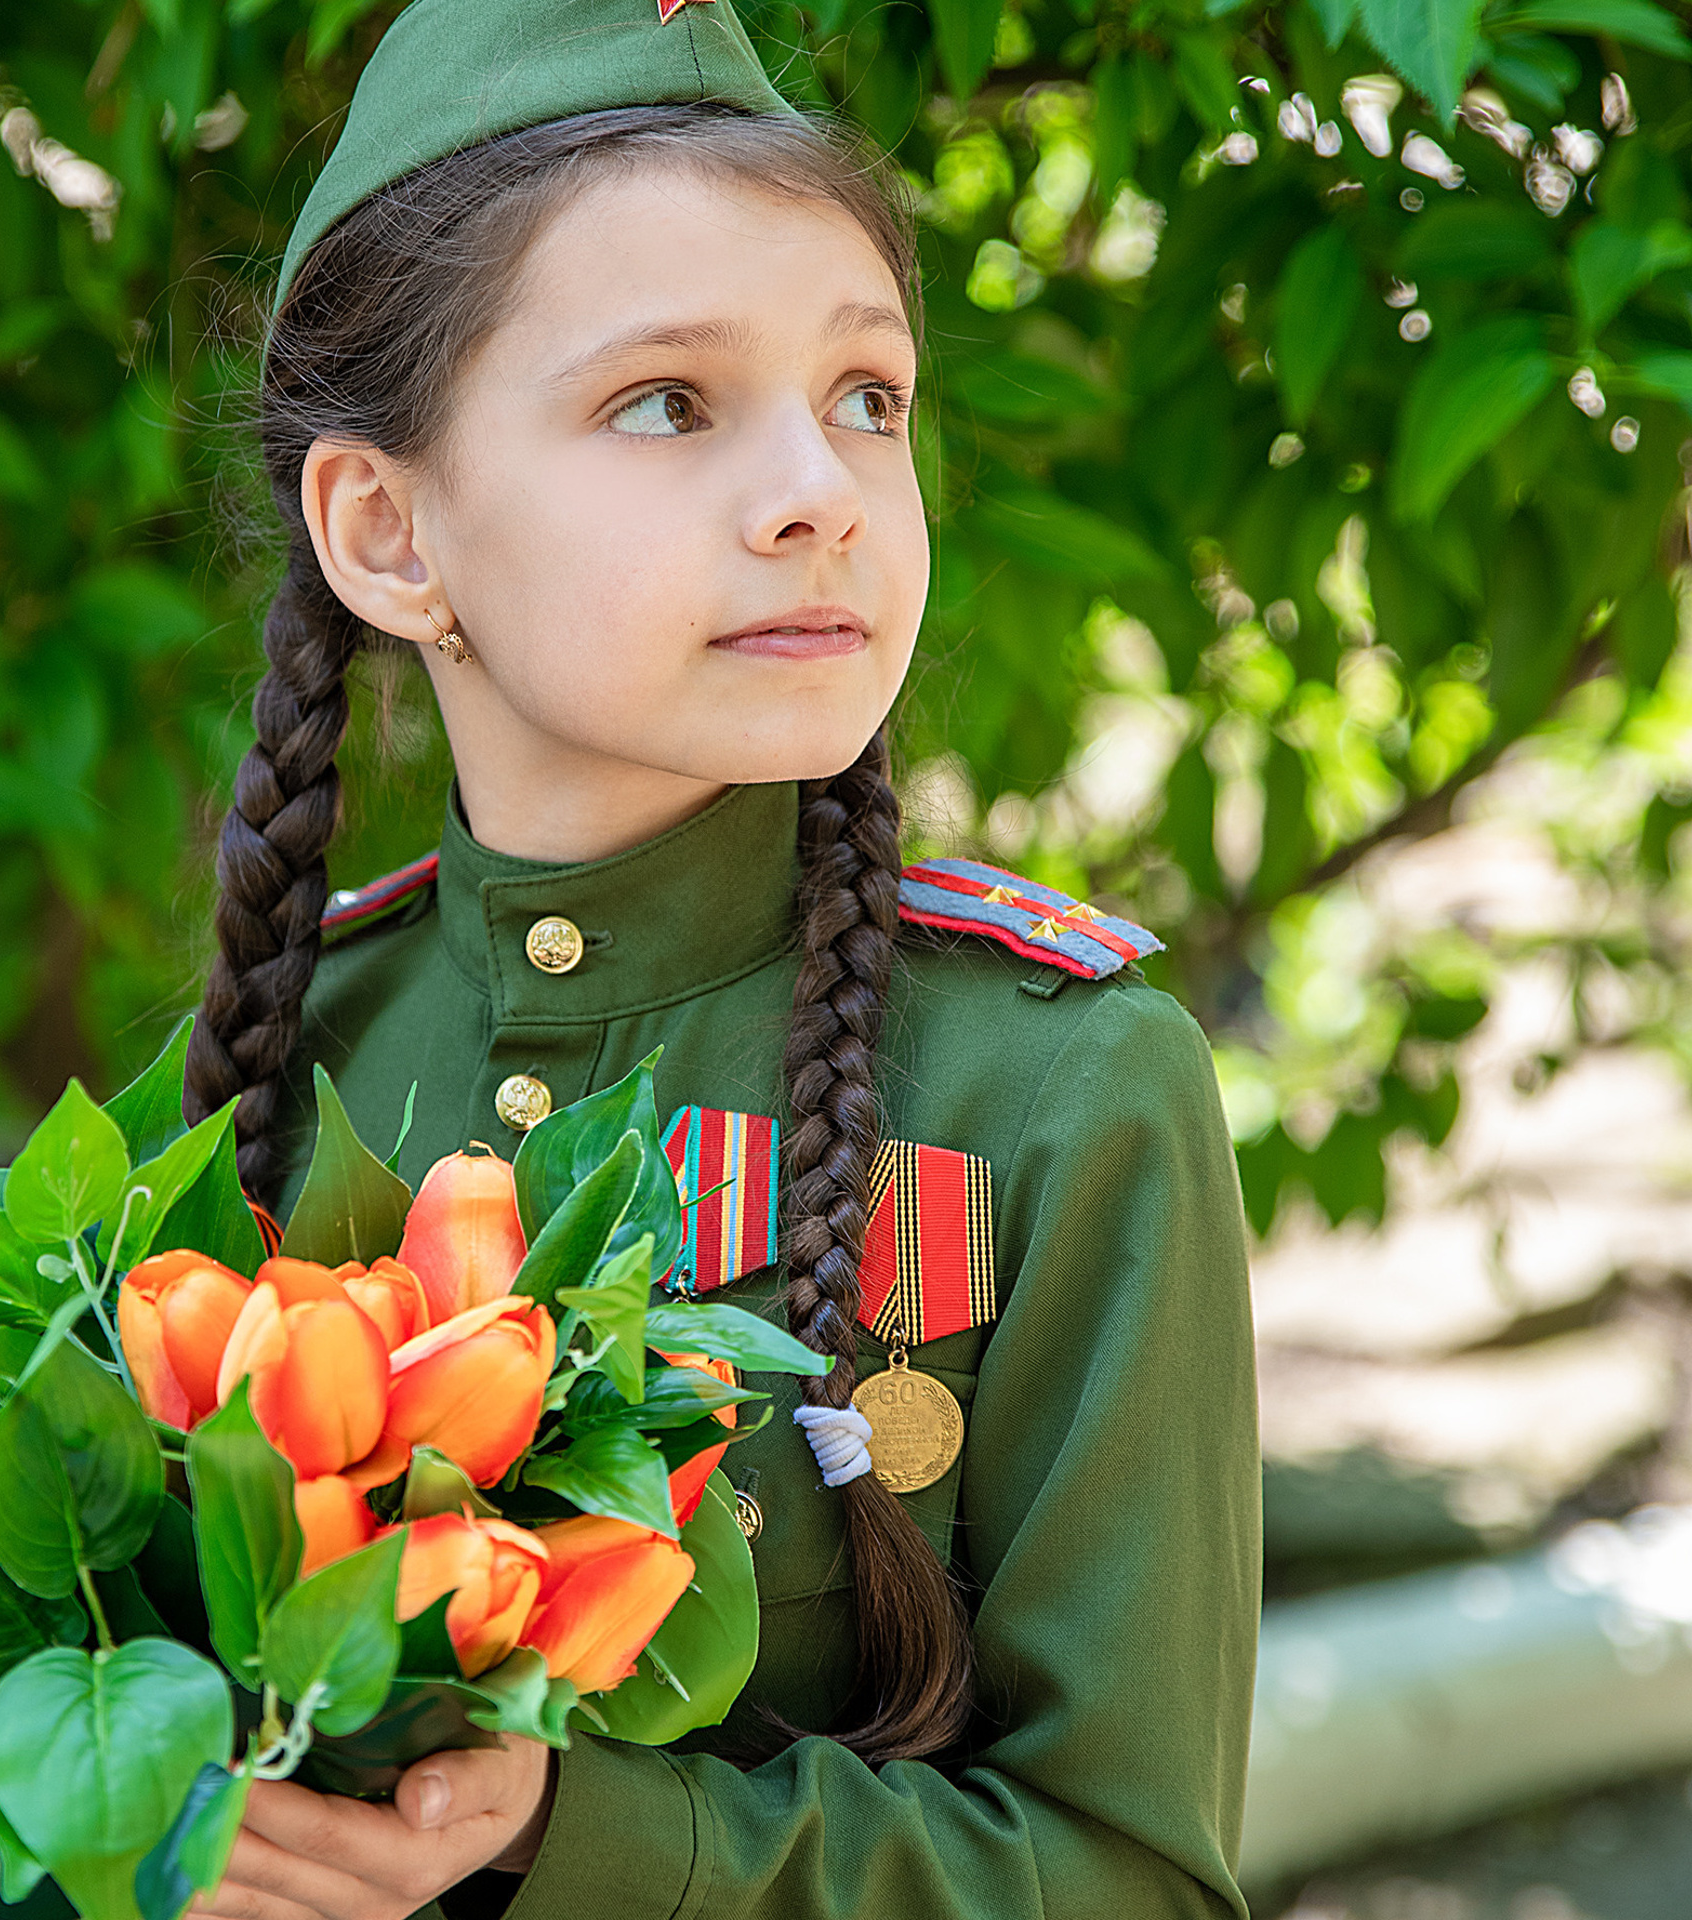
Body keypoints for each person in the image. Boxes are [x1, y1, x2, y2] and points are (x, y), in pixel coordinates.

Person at [180, 2, 1259, 1915]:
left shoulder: (1061, 1094)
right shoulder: (262, 1085)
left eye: (869, 396)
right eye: (668, 403)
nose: (821, 493)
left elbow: (1131, 1877)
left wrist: (567, 1846)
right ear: (387, 528)